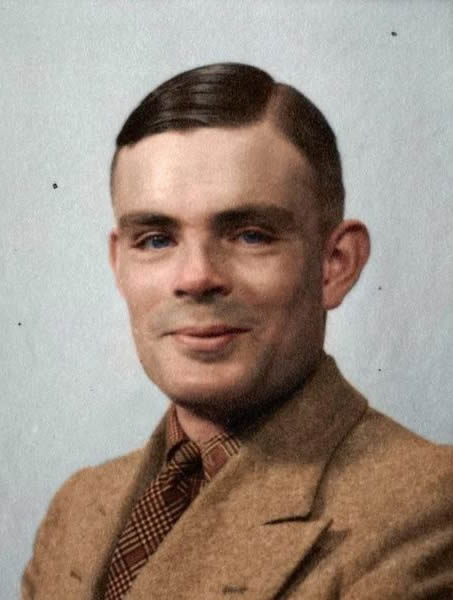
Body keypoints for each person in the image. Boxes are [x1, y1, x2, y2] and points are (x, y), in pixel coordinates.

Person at [22, 63, 453, 600]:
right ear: (119, 265)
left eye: (250, 235)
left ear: (335, 264)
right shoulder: (78, 507)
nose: (195, 277)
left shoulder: (427, 505)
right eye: (155, 239)